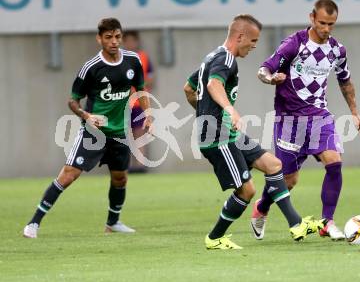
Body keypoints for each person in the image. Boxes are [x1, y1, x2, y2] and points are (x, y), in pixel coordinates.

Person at [183, 14, 325, 250]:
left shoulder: (212, 56)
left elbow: (189, 88)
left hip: (227, 132)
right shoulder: (226, 60)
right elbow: (213, 85)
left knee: (273, 165)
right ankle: (215, 238)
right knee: (247, 190)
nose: (254, 46)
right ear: (240, 36)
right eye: (253, 40)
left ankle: (296, 224)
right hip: (217, 137)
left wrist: (206, 112)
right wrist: (227, 110)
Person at [23, 18, 152, 238]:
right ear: (99, 38)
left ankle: (113, 222)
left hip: (120, 133)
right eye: (109, 37)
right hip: (94, 134)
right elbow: (73, 100)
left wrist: (148, 114)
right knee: (68, 175)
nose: (114, 41)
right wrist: (86, 115)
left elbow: (140, 88)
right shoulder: (91, 68)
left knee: (120, 178)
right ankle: (33, 223)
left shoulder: (132, 61)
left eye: (117, 36)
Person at [251, 0, 360, 241]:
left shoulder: (337, 50)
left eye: (331, 24)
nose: (326, 28)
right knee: (288, 181)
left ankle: (327, 221)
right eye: (322, 22)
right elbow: (264, 69)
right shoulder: (294, 44)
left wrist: (354, 112)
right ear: (312, 17)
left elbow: (345, 80)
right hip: (289, 120)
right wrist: (271, 79)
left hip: (319, 117)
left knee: (334, 161)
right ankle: (262, 208)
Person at [123, 30, 154, 173]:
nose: (130, 44)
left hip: (139, 103)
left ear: (136, 42)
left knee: (139, 133)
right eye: (127, 41)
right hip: (123, 104)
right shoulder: (120, 58)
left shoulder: (144, 58)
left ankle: (140, 164)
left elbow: (150, 78)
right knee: (125, 134)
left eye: (132, 41)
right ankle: (127, 165)